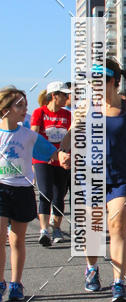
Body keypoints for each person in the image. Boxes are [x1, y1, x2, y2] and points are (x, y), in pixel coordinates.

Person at [68, 59, 126, 302]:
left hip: (122, 178)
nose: (95, 85)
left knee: (117, 228)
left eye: (100, 80)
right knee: (92, 232)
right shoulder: (84, 108)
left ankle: (118, 282)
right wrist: (63, 151)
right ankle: (91, 268)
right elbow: (69, 140)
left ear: (114, 81)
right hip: (90, 178)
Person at [0, 87, 68, 302]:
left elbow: (53, 153)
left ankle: (16, 283)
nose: (24, 109)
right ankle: (0, 282)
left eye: (25, 105)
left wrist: (64, 157)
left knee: (17, 241)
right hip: (1, 188)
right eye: (19, 105)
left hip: (22, 190)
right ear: (5, 109)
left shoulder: (29, 135)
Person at [31, 81, 71, 245]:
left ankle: (56, 227)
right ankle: (44, 230)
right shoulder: (39, 112)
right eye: (64, 95)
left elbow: (70, 136)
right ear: (54, 96)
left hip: (61, 160)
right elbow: (33, 136)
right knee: (45, 193)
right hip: (43, 160)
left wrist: (65, 155)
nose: (67, 97)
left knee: (59, 195)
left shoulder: (67, 114)